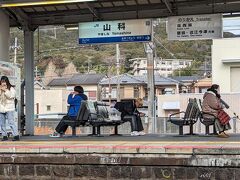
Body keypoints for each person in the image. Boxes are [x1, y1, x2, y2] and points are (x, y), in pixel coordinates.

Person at [0, 76, 19, 141]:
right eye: (2, 82)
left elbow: (11, 96)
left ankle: (16, 136)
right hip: (1, 108)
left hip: (9, 109)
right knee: (2, 123)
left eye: (4, 81)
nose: (3, 83)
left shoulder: (11, 89)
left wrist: (5, 90)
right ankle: (4, 136)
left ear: (7, 82)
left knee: (11, 122)